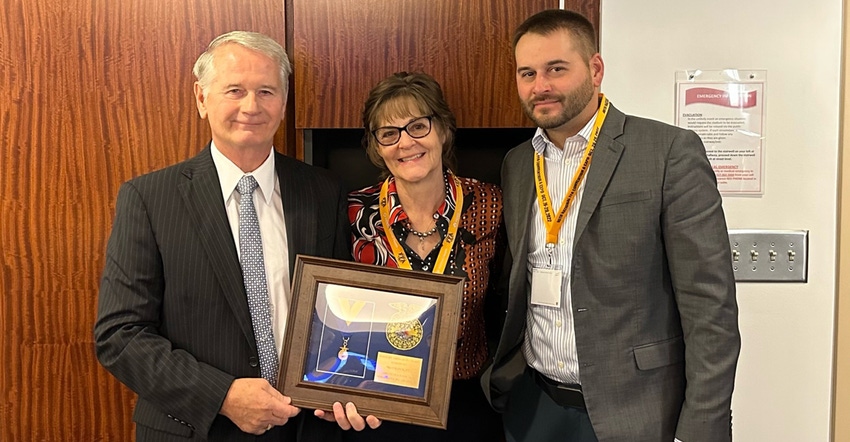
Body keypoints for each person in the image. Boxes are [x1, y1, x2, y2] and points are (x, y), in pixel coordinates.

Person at [94, 31, 373, 441]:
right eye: (235, 90)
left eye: (266, 91)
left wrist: (344, 387)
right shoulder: (149, 199)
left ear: (283, 103)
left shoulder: (324, 191)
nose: (251, 106)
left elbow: (340, 310)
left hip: (306, 429)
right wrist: (221, 394)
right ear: (201, 99)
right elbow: (119, 335)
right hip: (195, 428)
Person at [481, 9, 741, 442]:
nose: (540, 86)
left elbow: (710, 307)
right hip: (534, 407)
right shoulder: (517, 164)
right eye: (527, 73)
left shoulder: (667, 152)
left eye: (556, 69)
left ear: (595, 69)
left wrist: (702, 429)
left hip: (637, 410)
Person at [340, 71, 505, 441]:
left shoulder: (492, 205)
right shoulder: (352, 213)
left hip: (467, 406)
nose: (405, 143)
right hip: (377, 407)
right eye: (389, 133)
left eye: (417, 126)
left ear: (443, 129)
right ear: (376, 146)